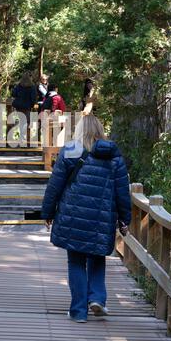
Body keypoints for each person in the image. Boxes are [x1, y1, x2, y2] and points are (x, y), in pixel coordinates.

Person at [41, 114, 131, 323]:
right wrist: (125, 218)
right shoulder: (113, 155)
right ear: (101, 131)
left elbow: (55, 185)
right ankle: (97, 299)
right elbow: (122, 192)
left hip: (73, 214)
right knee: (97, 257)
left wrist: (47, 212)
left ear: (80, 130)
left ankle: (79, 311)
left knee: (76, 261)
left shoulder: (70, 151)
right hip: (102, 218)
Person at [12, 73, 37, 141]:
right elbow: (33, 98)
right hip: (27, 107)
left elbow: (13, 94)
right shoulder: (32, 86)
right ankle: (26, 138)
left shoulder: (19, 86)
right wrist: (32, 105)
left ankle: (22, 138)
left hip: (19, 106)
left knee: (22, 121)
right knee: (27, 122)